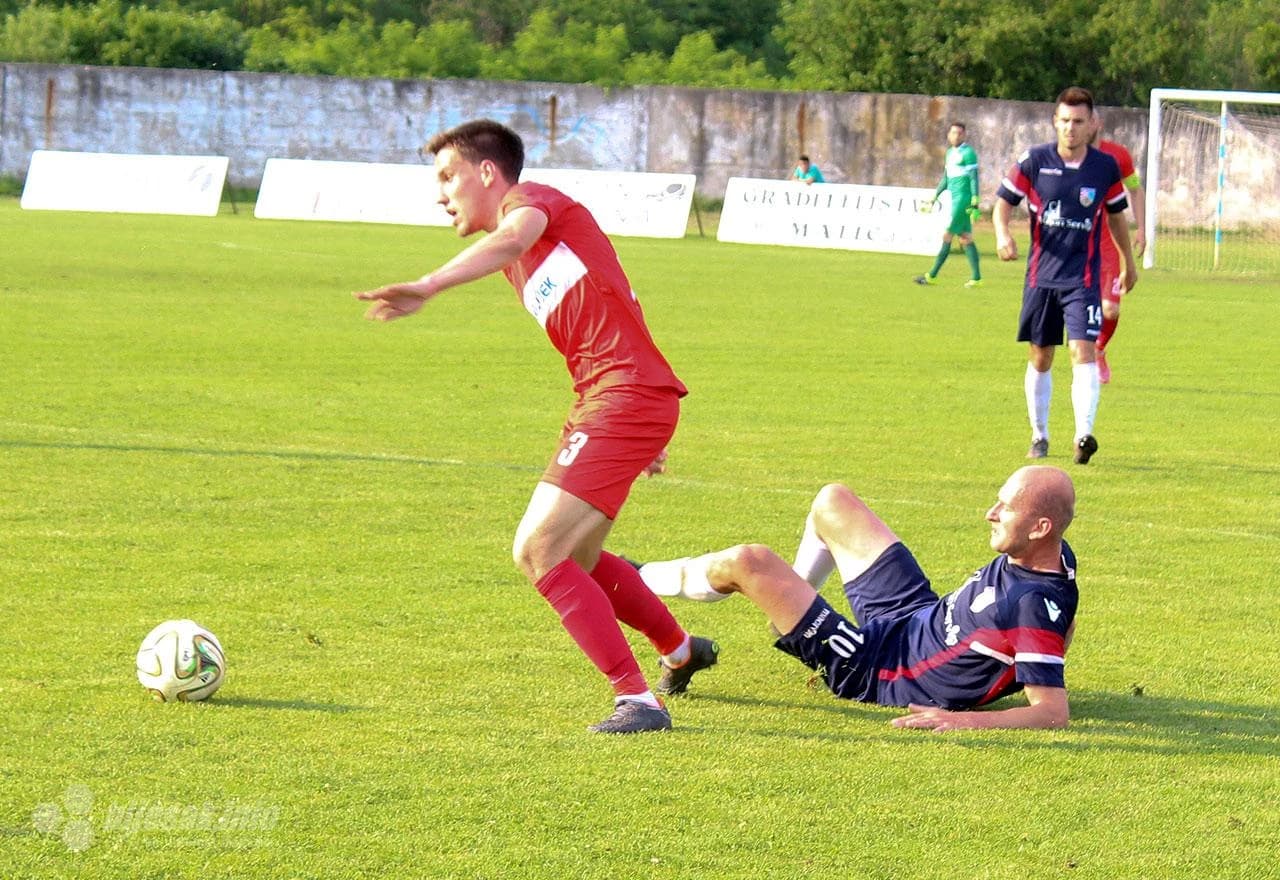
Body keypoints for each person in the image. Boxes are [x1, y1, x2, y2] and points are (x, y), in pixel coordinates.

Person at [355, 119, 718, 735]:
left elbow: (512, 236)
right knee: (580, 553)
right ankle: (682, 651)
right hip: (619, 397)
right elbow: (619, 304)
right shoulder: (525, 256)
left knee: (537, 550)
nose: (441, 195)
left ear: (488, 173)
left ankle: (639, 701)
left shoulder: (531, 205)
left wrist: (430, 284)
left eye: (449, 177)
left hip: (623, 396)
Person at [635, 466, 1079, 731]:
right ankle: (792, 602)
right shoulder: (1056, 559)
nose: (991, 513)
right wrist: (1022, 664)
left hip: (879, 668)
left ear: (1040, 527)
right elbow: (1065, 623)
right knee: (833, 500)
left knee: (748, 562)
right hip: (913, 616)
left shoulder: (1033, 603)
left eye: (1006, 508)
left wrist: (963, 717)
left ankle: (635, 579)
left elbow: (1052, 712)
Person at [993, 86, 1138, 465]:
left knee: (1082, 349)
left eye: (1078, 121)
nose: (1071, 128)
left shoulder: (1104, 167)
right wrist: (1003, 233)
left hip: (1083, 279)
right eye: (1064, 121)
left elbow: (1116, 217)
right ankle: (1039, 435)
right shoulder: (1034, 161)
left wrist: (1128, 261)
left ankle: (1083, 435)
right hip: (1042, 277)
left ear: (1091, 124)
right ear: (1054, 122)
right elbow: (1002, 205)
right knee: (1041, 356)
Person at [1089, 113, 1147, 384]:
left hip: (1112, 242)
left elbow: (1135, 189)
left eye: (1086, 121)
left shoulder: (1118, 156)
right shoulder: (1068, 156)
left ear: (1096, 123)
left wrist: (1142, 228)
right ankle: (1084, 358)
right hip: (1080, 242)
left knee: (1110, 309)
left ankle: (1099, 349)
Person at [914, 122, 983, 288]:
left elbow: (974, 177)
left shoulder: (968, 153)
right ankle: (977, 278)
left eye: (959, 133)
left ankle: (932, 275)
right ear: (948, 134)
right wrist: (935, 196)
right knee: (966, 237)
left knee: (947, 235)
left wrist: (975, 199)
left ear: (964, 135)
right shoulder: (950, 153)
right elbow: (946, 178)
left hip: (963, 199)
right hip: (954, 197)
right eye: (953, 133)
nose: (956, 136)